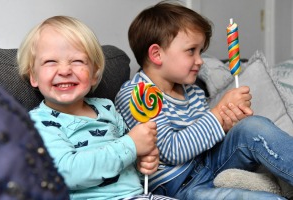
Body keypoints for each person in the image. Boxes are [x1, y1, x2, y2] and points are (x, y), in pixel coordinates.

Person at [115, 1, 293, 200]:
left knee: (253, 126)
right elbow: (171, 151)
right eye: (191, 50)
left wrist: (227, 121)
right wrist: (217, 115)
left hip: (210, 164)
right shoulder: (136, 95)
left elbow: (206, 139)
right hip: (178, 187)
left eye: (201, 51)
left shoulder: (192, 91)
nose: (200, 60)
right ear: (157, 54)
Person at [17, 15, 176, 200]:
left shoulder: (107, 107)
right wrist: (131, 146)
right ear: (33, 76)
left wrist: (142, 163)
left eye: (77, 61)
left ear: (94, 74)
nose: (65, 70)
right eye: (50, 62)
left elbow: (125, 162)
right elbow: (65, 173)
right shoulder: (38, 122)